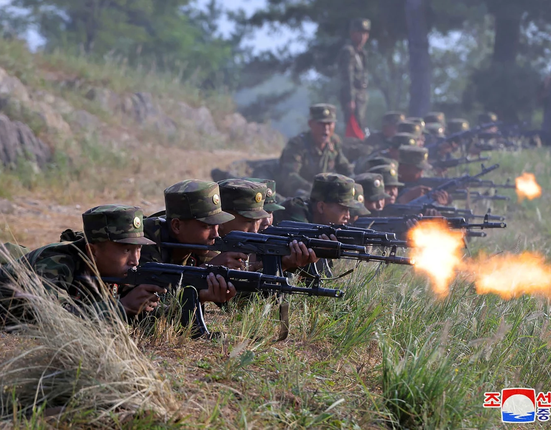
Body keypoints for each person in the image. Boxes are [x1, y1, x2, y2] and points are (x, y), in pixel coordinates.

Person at [1, 205, 234, 325]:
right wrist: (120, 308)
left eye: (139, 248)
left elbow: (145, 320)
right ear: (93, 249)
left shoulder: (117, 272)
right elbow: (52, 320)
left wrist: (198, 297)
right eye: (125, 249)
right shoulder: (57, 262)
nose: (135, 259)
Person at [141, 180, 248, 273]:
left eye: (217, 225)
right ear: (177, 226)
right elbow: (154, 289)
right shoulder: (146, 240)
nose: (216, 235)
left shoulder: (203, 246)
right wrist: (206, 269)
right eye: (207, 226)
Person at [218, 178, 317, 271]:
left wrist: (283, 265)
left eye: (257, 221)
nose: (254, 231)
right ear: (222, 220)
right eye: (248, 221)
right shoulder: (212, 254)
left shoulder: (243, 249)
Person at [278, 104, 353, 196]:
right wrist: (314, 188)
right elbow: (289, 176)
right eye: (321, 124)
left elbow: (345, 168)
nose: (326, 128)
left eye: (329, 124)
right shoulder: (297, 145)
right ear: (310, 124)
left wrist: (352, 182)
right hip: (298, 194)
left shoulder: (334, 142)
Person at [275, 173, 357, 225]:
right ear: (321, 207)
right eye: (343, 209)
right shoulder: (296, 215)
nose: (348, 216)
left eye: (348, 210)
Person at [338, 18, 371, 130]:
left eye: (365, 33)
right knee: (354, 127)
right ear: (352, 34)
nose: (363, 36)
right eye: (360, 32)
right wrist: (350, 99)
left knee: (361, 125)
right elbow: (348, 76)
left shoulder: (363, 54)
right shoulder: (349, 51)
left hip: (361, 96)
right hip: (353, 95)